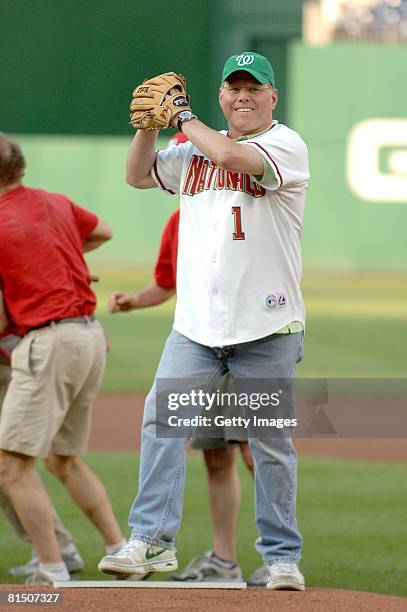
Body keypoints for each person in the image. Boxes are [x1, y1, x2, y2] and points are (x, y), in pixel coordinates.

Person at [99, 51, 309, 590]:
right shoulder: (191, 147)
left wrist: (181, 116)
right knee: (161, 425)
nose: (243, 96)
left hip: (267, 327)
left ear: (271, 97)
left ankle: (282, 557)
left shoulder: (285, 144)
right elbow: (137, 176)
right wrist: (148, 129)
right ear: (222, 95)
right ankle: (151, 540)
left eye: (253, 88)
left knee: (270, 445)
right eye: (234, 87)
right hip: (196, 328)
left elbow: (234, 159)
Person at [0, 134, 126, 585]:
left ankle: (52, 567)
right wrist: (58, 259)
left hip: (48, 342)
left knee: (11, 466)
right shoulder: (55, 202)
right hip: (89, 338)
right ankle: (121, 552)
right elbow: (102, 231)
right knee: (63, 459)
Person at [0, 320, 84, 577]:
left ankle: (56, 553)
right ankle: (59, 548)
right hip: (24, 354)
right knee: (10, 466)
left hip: (11, 359)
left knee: (11, 466)